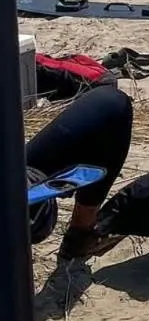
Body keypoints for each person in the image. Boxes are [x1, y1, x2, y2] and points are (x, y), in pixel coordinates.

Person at [25, 85, 133, 262]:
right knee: (110, 104)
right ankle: (80, 234)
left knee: (110, 104)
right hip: (21, 204)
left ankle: (80, 235)